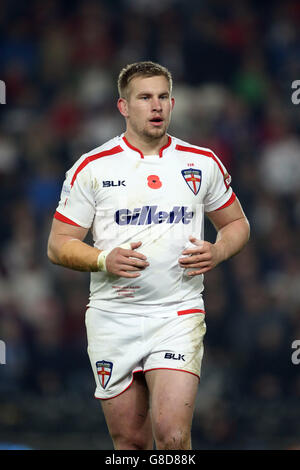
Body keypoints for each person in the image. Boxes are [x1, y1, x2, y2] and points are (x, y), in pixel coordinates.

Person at [47, 61, 250, 450]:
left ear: (172, 104)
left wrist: (218, 249)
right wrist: (103, 259)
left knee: (173, 436)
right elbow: (58, 244)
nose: (155, 106)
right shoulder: (92, 167)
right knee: (129, 442)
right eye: (144, 98)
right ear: (123, 107)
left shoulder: (200, 162)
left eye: (162, 97)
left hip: (177, 312)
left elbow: (237, 224)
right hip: (113, 317)